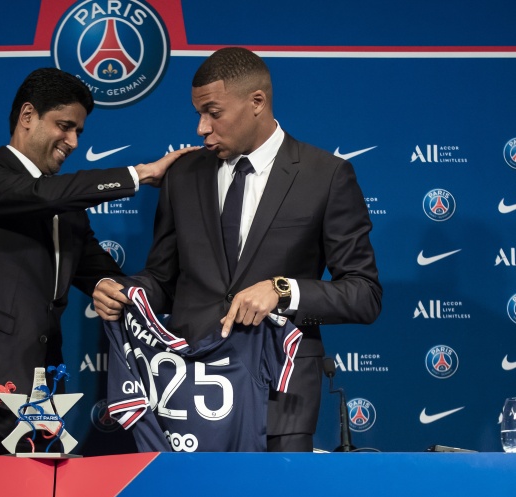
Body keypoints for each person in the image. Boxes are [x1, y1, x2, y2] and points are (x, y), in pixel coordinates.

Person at [93, 47, 382, 452]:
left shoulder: (326, 175)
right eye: (198, 113)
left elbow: (364, 294)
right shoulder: (183, 175)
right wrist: (127, 292)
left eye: (213, 113)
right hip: (190, 392)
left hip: (279, 397)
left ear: (257, 102)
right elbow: (163, 278)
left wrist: (283, 290)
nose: (201, 128)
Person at [0, 67, 197, 454]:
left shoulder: (70, 212)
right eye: (64, 126)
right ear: (28, 116)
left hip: (40, 401)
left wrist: (119, 289)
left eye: (79, 132)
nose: (73, 142)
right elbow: (38, 194)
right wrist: (138, 175)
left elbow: (104, 275)